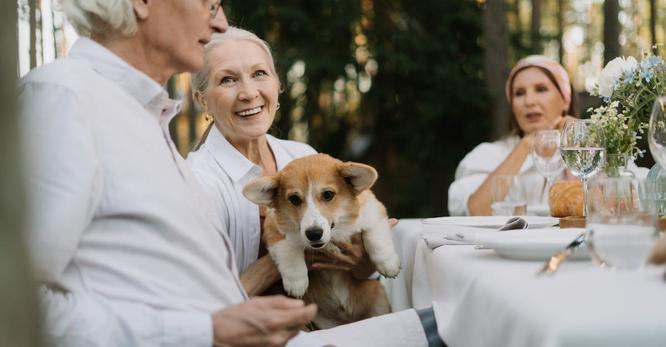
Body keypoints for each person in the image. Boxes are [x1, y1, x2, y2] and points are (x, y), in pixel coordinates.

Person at [19, 1, 435, 346]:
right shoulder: (65, 98)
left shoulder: (142, 120)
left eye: (259, 73)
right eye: (210, 3)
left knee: (458, 317)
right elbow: (18, 300)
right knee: (460, 322)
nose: (218, 22)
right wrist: (209, 329)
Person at [187, 27, 376, 297]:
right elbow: (201, 307)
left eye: (259, 74)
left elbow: (363, 273)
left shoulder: (303, 156)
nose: (249, 93)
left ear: (277, 84)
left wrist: (362, 261)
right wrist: (281, 258)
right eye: (228, 79)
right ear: (201, 99)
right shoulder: (197, 182)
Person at [448, 55, 578, 216]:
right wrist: (526, 144)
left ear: (565, 99)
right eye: (519, 93)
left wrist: (579, 141)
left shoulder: (591, 155)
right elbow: (477, 211)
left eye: (541, 89)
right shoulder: (488, 154)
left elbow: (609, 210)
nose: (529, 101)